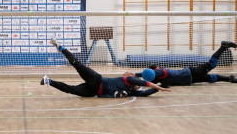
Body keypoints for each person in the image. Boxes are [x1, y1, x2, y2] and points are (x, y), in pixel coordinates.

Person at [40, 38, 171, 98]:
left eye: (139, 87)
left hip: (94, 91)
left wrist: (159, 89)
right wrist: (159, 87)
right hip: (97, 80)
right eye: (139, 85)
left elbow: (146, 92)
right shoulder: (129, 80)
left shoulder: (132, 92)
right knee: (77, 64)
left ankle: (48, 81)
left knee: (71, 90)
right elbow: (146, 83)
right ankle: (60, 47)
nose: (139, 87)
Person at [124, 41, 237, 87]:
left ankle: (223, 47)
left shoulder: (161, 72)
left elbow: (147, 74)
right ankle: (230, 79)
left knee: (211, 64)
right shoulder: (158, 79)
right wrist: (134, 84)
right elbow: (148, 83)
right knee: (211, 78)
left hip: (192, 73)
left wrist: (135, 75)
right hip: (191, 79)